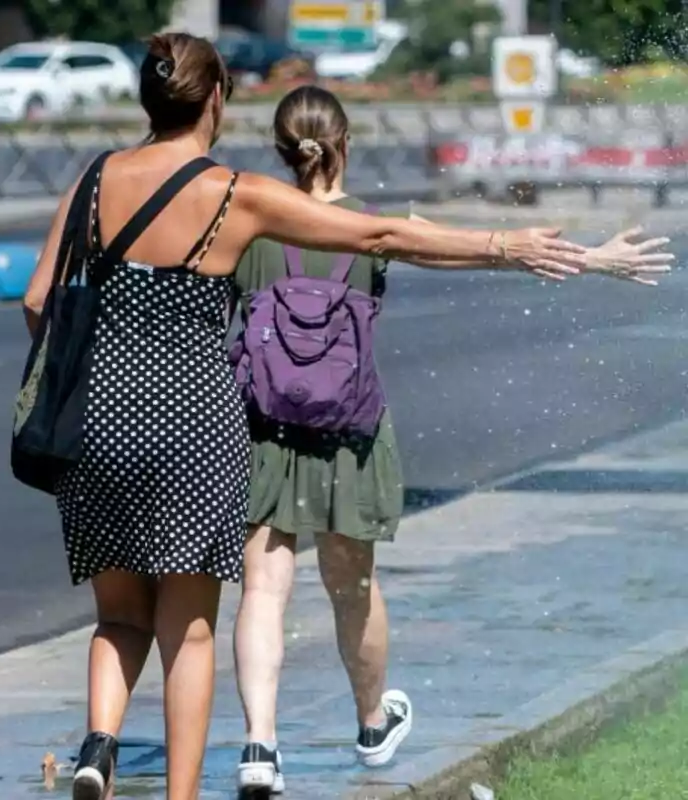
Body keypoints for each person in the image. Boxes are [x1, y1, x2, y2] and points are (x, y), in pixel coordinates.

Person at [20, 33, 637, 800]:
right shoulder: (231, 193)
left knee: (118, 618)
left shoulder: (91, 179)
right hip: (192, 429)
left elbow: (38, 300)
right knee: (191, 626)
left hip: (97, 428)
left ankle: (97, 747)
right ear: (215, 100)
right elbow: (379, 234)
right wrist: (504, 243)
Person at [230, 85, 672, 797]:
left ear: (283, 152)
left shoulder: (246, 229)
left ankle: (259, 745)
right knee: (353, 587)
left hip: (266, 431)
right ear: (345, 145)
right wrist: (594, 259)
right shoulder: (376, 228)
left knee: (264, 585)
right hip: (351, 434)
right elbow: (471, 253)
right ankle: (373, 722)